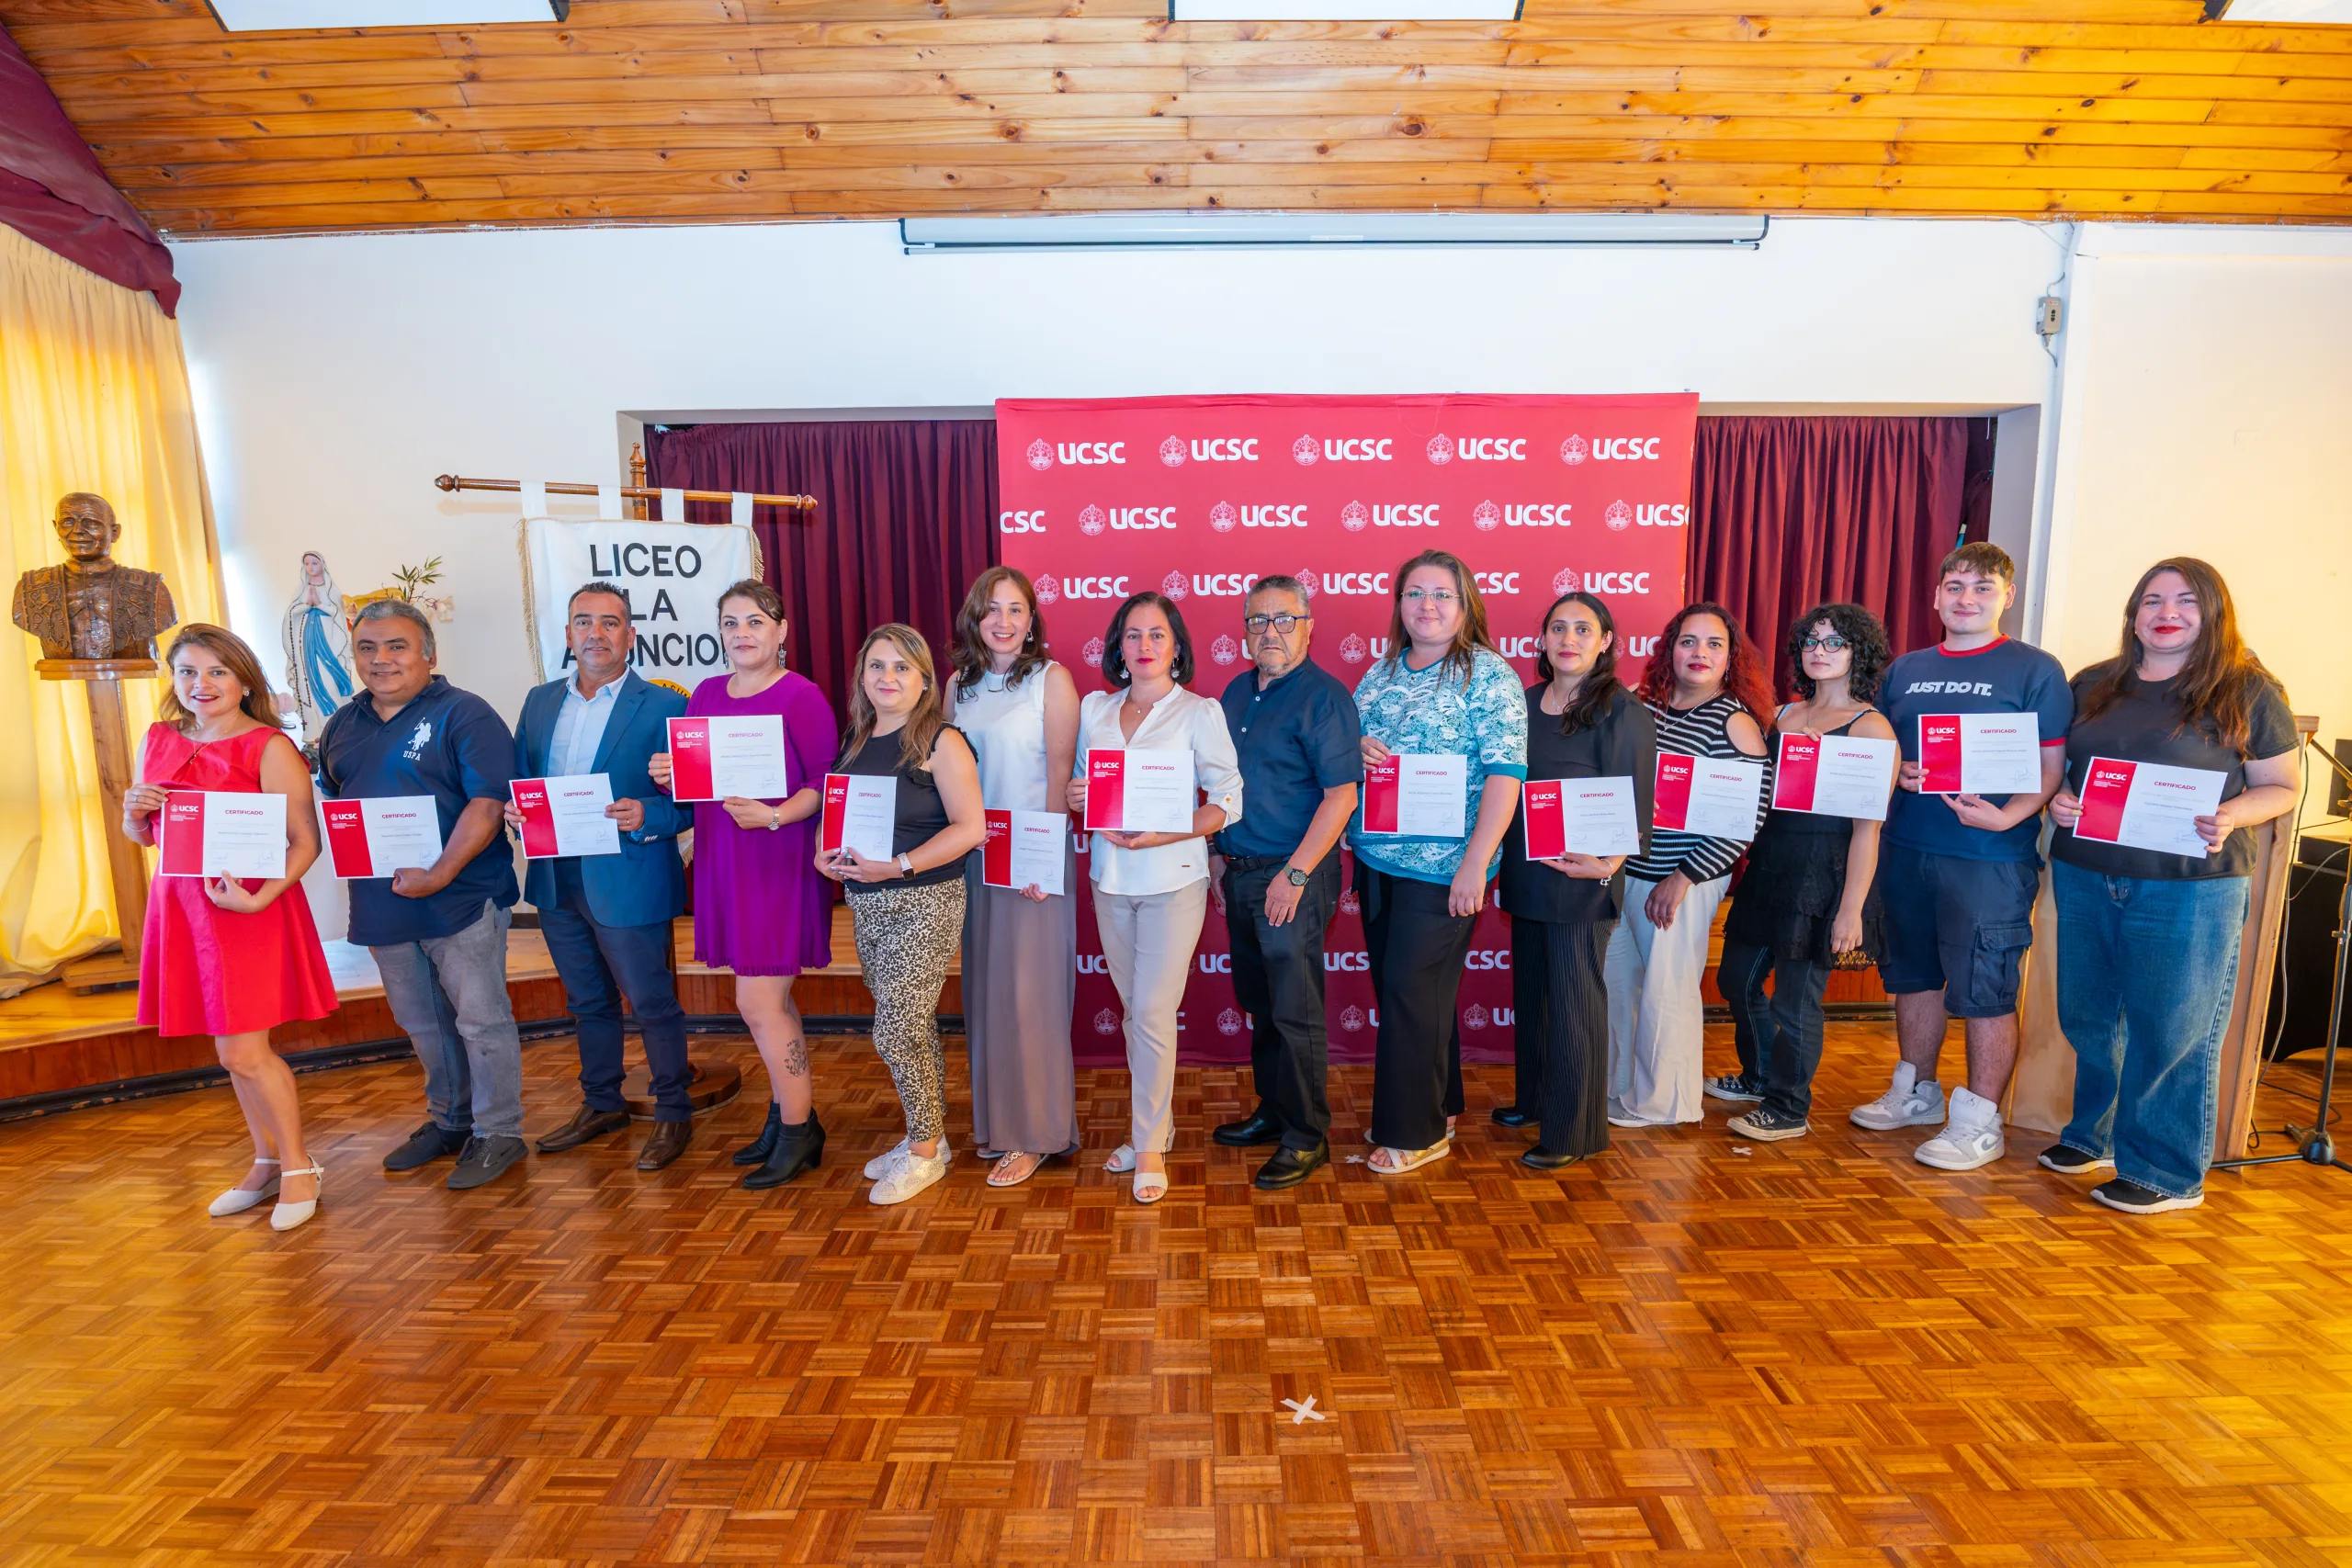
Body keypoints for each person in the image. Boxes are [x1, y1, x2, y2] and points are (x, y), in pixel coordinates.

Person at [2042, 558, 2299, 1213]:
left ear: (2213, 613)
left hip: (2189, 885)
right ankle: (2090, 1134)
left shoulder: (2249, 689)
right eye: (2152, 599)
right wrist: (2061, 800)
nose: (2167, 611)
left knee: (2173, 1027)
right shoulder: (2095, 682)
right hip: (2087, 871)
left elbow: (2281, 786)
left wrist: (2232, 813)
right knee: (2089, 1014)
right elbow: (2064, 769)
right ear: (2133, 613)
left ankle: (2166, 1171)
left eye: (2187, 601)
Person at [1859, 542, 2072, 1171]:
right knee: (1913, 976)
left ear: (2007, 596)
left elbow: (2051, 766)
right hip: (1907, 848)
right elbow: (1886, 750)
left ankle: (1980, 1120)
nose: (1966, 598)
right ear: (1936, 596)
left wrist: (2009, 815)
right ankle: (1917, 1091)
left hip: (1988, 856)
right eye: (1954, 585)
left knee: (1985, 988)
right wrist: (1900, 772)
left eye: (1982, 587)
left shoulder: (2036, 669)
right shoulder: (1905, 668)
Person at [123, 625, 338, 1230]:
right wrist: (130, 812)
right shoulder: (160, 738)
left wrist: (259, 897)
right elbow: (148, 837)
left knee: (245, 1049)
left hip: (247, 910)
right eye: (188, 672)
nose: (202, 684)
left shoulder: (269, 746)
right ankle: (266, 1160)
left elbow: (305, 842)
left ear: (244, 679)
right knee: (229, 1050)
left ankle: (298, 1164)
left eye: (216, 671)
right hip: (184, 907)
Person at [317, 598, 528, 1191]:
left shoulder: (466, 714)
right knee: (421, 1022)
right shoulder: (342, 724)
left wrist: (438, 872)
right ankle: (451, 1121)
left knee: (480, 1019)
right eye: (367, 647)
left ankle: (499, 1131)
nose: (381, 659)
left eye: (397, 646)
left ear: (429, 653)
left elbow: (486, 805)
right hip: (385, 904)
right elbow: (337, 803)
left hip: (460, 899)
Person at [650, 580, 838, 1190]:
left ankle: (799, 1129)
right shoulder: (705, 692)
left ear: (781, 630)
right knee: (768, 1005)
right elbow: (700, 776)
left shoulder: (802, 696)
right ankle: (790, 1112)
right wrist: (669, 772)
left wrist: (778, 813)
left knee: (757, 1003)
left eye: (755, 621)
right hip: (725, 860)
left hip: (777, 860)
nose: (742, 633)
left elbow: (822, 782)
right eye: (731, 623)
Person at [509, 581, 696, 1172]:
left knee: (651, 1001)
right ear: (567, 635)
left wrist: (649, 815)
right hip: (555, 878)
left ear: (631, 635)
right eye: (583, 622)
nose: (596, 633)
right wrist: (516, 813)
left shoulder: (667, 706)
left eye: (610, 622)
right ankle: (602, 1103)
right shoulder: (539, 702)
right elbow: (520, 781)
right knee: (587, 1000)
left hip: (629, 875)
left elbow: (694, 802)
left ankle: (672, 1113)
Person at [1351, 550, 1526, 1176]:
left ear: (1466, 603)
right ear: (1399, 604)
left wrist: (1477, 863)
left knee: (1409, 992)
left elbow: (1507, 775)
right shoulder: (1379, 672)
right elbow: (1354, 748)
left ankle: (1416, 1131)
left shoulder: (1488, 674)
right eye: (1415, 593)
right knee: (1417, 995)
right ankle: (1440, 1101)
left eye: (1442, 594)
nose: (1427, 605)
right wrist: (1358, 747)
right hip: (1377, 858)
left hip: (1447, 866)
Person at [1065, 592, 1244, 1204]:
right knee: (1134, 1013)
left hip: (1174, 881)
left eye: (1157, 635)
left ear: (1176, 647)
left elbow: (1228, 798)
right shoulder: (1094, 708)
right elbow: (1082, 787)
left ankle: (1147, 1147)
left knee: (1149, 1014)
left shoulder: (1199, 712)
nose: (1144, 646)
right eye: (1133, 634)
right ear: (1118, 646)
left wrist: (1172, 828)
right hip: (1109, 878)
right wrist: (1078, 795)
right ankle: (1155, 1126)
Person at [1713, 604, 1898, 1143]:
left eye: (1834, 643)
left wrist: (1849, 911)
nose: (1819, 651)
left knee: (1796, 1000)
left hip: (1826, 876)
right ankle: (1758, 1077)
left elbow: (1868, 830)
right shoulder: (1782, 716)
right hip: (1771, 865)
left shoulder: (1873, 729)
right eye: (1811, 642)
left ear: (1856, 653)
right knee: (1736, 980)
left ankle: (1789, 1106)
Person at [820, 624, 989, 1205]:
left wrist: (897, 866)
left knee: (896, 1026)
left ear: (923, 681)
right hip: (866, 900)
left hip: (925, 898)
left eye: (900, 668)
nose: (886, 678)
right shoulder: (857, 738)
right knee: (908, 1025)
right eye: (876, 667)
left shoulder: (942, 741)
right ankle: (927, 1136)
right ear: (862, 678)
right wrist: (828, 854)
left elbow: (972, 829)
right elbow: (841, 818)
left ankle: (925, 1150)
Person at [1207, 575, 1362, 1190]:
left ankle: (1307, 1134)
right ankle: (1273, 1110)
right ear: (1244, 630)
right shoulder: (1234, 692)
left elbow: (1342, 796)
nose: (1270, 631)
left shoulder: (1324, 697)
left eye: (1283, 619)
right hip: (1241, 870)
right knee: (1262, 1001)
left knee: (1294, 1009)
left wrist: (1294, 874)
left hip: (1293, 875)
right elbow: (1225, 787)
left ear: (1307, 625)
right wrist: (1219, 858)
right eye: (1258, 621)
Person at [1495, 592, 1655, 1168]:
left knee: (1573, 1006)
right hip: (1527, 872)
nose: (1569, 639)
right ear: (1541, 639)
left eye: (1583, 630)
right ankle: (1537, 1101)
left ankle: (1575, 1131)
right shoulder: (1526, 701)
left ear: (1606, 641)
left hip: (1584, 879)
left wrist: (1609, 865)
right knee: (1536, 996)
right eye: (1558, 628)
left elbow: (1639, 798)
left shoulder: (1620, 709)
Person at [1607, 602, 1770, 1129]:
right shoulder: (1642, 705)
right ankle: (1621, 1088)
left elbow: (1745, 820)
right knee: (1620, 983)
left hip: (1682, 877)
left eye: (1714, 644)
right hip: (1624, 870)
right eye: (1688, 641)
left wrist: (1682, 879)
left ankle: (1665, 1103)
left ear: (1730, 659)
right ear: (1669, 649)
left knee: (1667, 990)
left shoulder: (1735, 721)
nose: (1699, 653)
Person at [950, 567, 1082, 1190]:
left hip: (1032, 858)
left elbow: (1060, 777)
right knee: (989, 995)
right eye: (992, 609)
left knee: (1032, 999)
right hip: (976, 858)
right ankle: (1000, 1125)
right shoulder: (958, 685)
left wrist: (1040, 861)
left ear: (1032, 620)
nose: (1003, 621)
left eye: (1016, 609)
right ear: (976, 617)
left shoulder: (1051, 682)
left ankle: (1038, 1133)